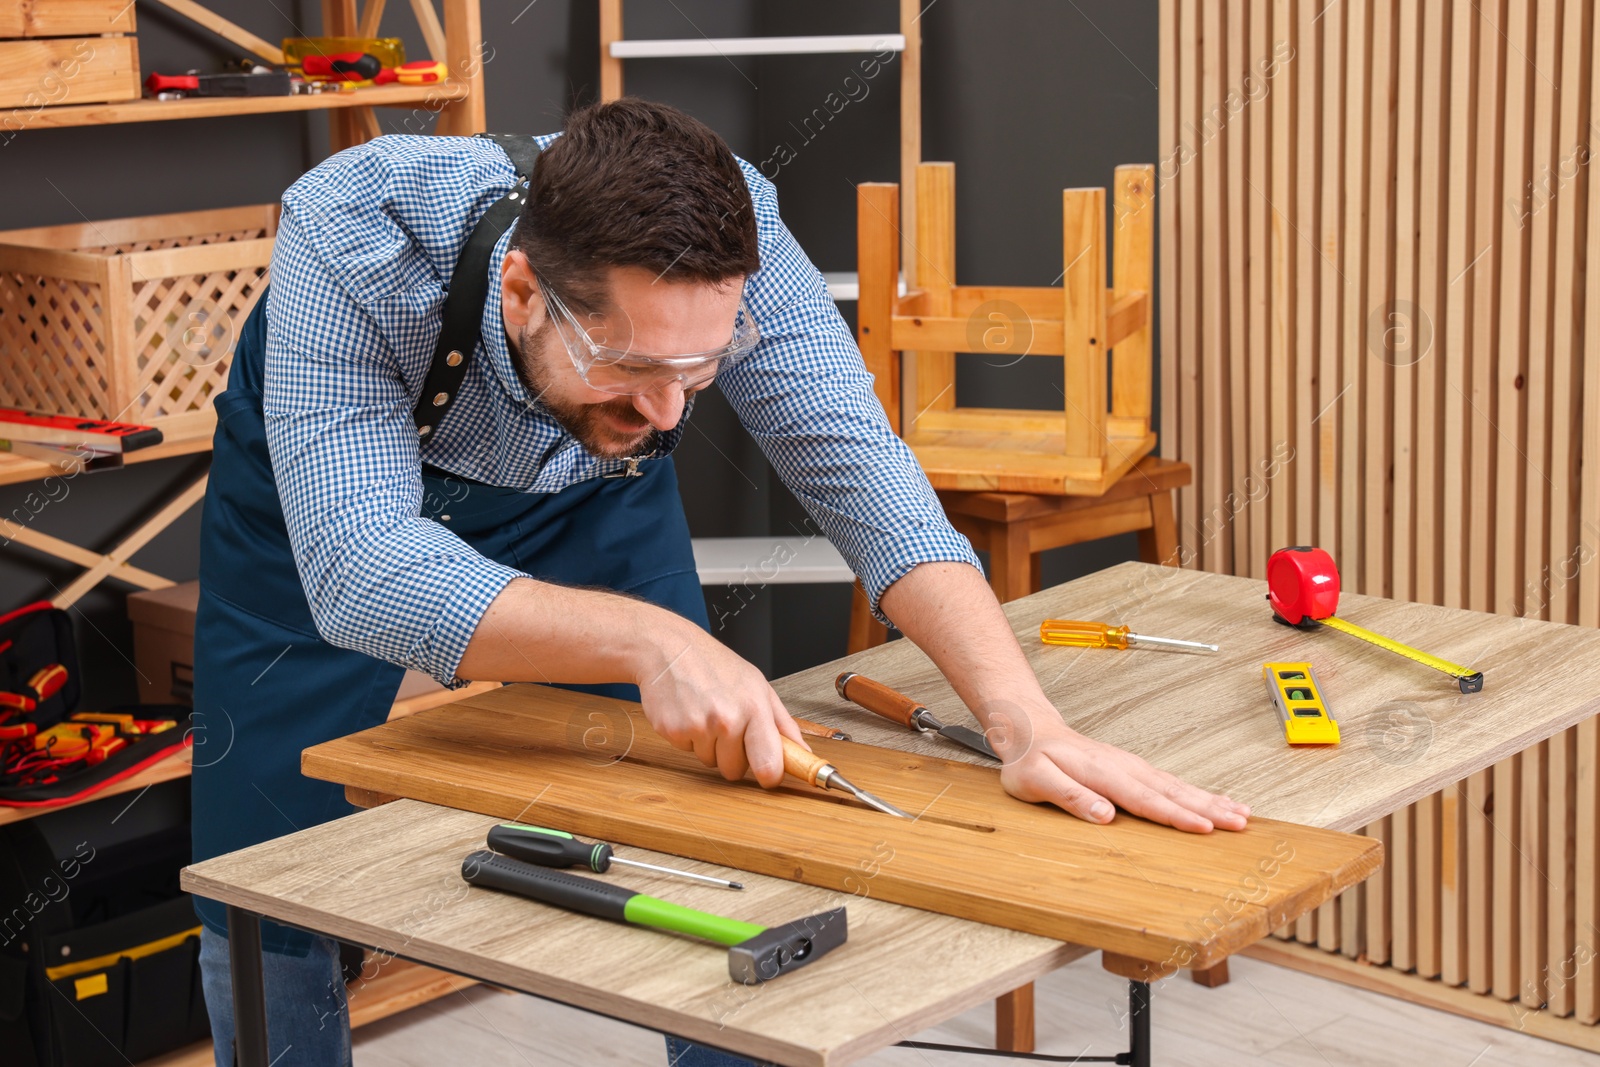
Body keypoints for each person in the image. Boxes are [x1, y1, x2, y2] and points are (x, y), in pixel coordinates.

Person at [191, 98, 1249, 1067]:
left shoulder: (743, 233)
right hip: (320, 526)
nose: (669, 417)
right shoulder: (353, 237)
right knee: (263, 859)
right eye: (636, 367)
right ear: (521, 292)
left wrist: (1024, 721)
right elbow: (363, 571)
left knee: (708, 799)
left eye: (697, 373)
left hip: (588, 499)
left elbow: (862, 472)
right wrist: (655, 641)